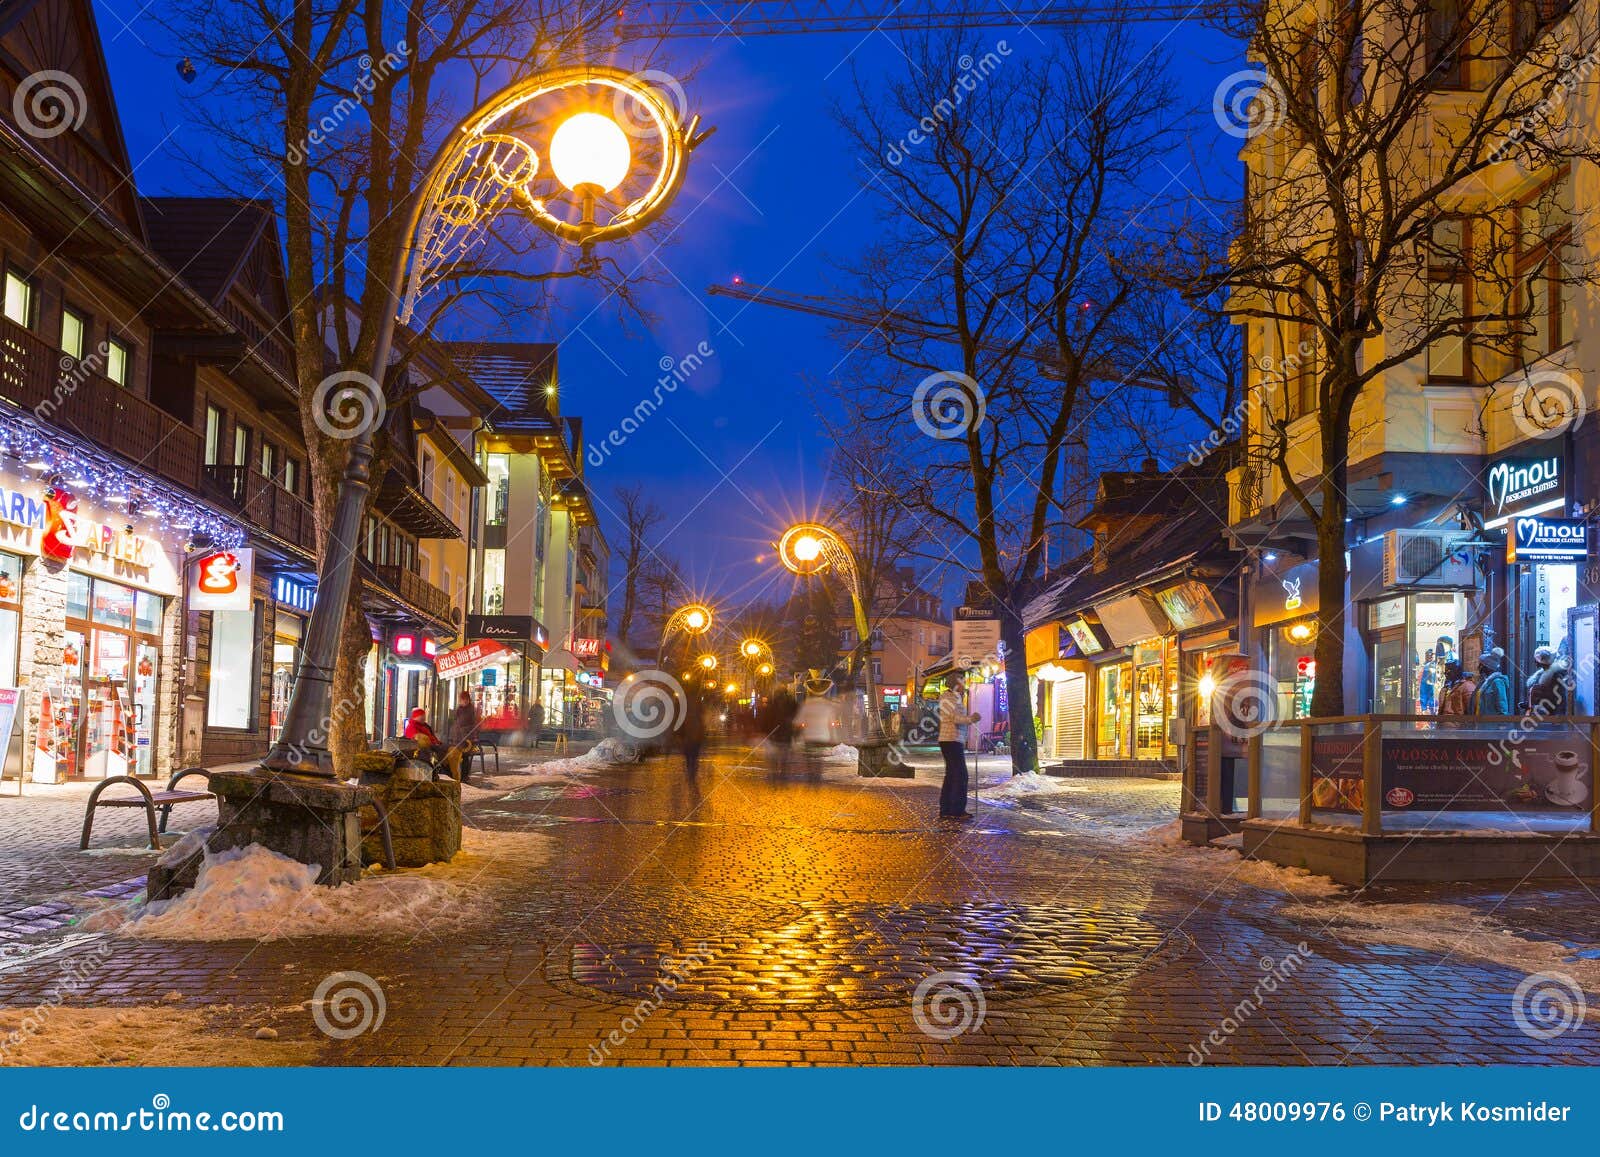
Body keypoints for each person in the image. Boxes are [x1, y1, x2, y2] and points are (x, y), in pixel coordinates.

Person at [937, 673, 981, 821]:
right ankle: (956, 810)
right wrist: (971, 719)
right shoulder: (949, 697)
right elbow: (953, 718)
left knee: (952, 775)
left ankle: (947, 809)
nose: (964, 683)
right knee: (960, 775)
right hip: (951, 739)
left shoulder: (954, 696)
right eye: (962, 681)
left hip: (953, 739)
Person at [403, 706, 460, 779]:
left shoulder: (425, 725)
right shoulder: (412, 726)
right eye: (422, 716)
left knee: (452, 750)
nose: (424, 717)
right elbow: (418, 740)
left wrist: (438, 743)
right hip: (428, 748)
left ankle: (451, 773)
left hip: (434, 745)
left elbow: (433, 737)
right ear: (416, 717)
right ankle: (450, 774)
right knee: (448, 753)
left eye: (424, 715)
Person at [1527, 646, 1573, 717]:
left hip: (1549, 716)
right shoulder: (1542, 675)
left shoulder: (1555, 676)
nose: (1535, 662)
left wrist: (1558, 717)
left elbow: (1559, 699)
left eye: (1537, 659)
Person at [450, 691, 481, 781]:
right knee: (457, 755)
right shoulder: (459, 709)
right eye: (463, 699)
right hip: (458, 736)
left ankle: (464, 776)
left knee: (465, 757)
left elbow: (475, 724)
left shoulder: (472, 710)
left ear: (468, 700)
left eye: (466, 699)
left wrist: (467, 731)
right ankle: (456, 775)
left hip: (468, 737)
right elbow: (456, 722)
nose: (464, 701)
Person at [676, 686, 707, 777]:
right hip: (693, 733)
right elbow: (702, 713)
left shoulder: (683, 701)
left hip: (688, 732)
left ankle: (690, 767)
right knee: (693, 753)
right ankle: (692, 768)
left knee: (689, 753)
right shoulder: (696, 701)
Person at [1475, 652, 1512, 716]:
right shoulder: (1483, 683)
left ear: (1488, 667)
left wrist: (1502, 724)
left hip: (1491, 724)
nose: (1479, 667)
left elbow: (1502, 707)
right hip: (1480, 723)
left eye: (1481, 665)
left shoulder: (1497, 682)